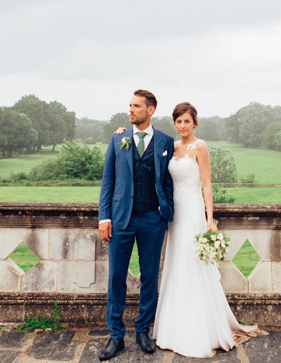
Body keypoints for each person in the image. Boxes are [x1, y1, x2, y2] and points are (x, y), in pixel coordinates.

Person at [149, 102, 267, 358]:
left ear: (195, 123)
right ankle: (173, 327)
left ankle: (200, 329)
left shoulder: (199, 147)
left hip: (192, 212)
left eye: (187, 122)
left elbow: (207, 185)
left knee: (194, 264)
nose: (182, 126)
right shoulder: (172, 146)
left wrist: (209, 219)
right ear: (175, 124)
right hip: (174, 216)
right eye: (178, 122)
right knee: (176, 264)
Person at [97, 90, 175, 360]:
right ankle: (116, 336)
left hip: (153, 220)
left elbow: (168, 181)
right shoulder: (118, 139)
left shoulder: (166, 141)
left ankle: (143, 329)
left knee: (149, 277)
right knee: (116, 277)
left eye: (136, 106)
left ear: (150, 110)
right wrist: (103, 217)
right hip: (120, 219)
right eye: (129, 105)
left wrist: (166, 212)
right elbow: (108, 181)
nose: (130, 110)